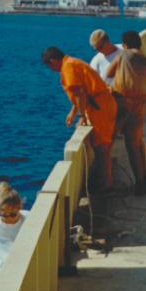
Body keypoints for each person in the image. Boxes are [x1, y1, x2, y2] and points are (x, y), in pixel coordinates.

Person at [42, 45, 117, 192]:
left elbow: (79, 93)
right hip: (100, 104)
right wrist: (73, 112)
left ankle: (106, 185)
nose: (52, 70)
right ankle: (105, 181)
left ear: (53, 60)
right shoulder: (71, 62)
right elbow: (80, 92)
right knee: (102, 145)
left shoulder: (68, 67)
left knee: (103, 147)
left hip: (100, 107)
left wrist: (81, 116)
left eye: (50, 66)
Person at [106, 30, 146, 195]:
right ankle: (142, 179)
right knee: (136, 142)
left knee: (108, 144)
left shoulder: (124, 56)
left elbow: (108, 73)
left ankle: (108, 183)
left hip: (122, 103)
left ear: (125, 45)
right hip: (139, 105)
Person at [0, 181, 27, 282]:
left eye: (13, 215)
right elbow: (8, 256)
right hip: (2, 271)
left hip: (24, 263)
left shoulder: (28, 217)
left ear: (19, 208)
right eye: (4, 215)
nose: (8, 218)